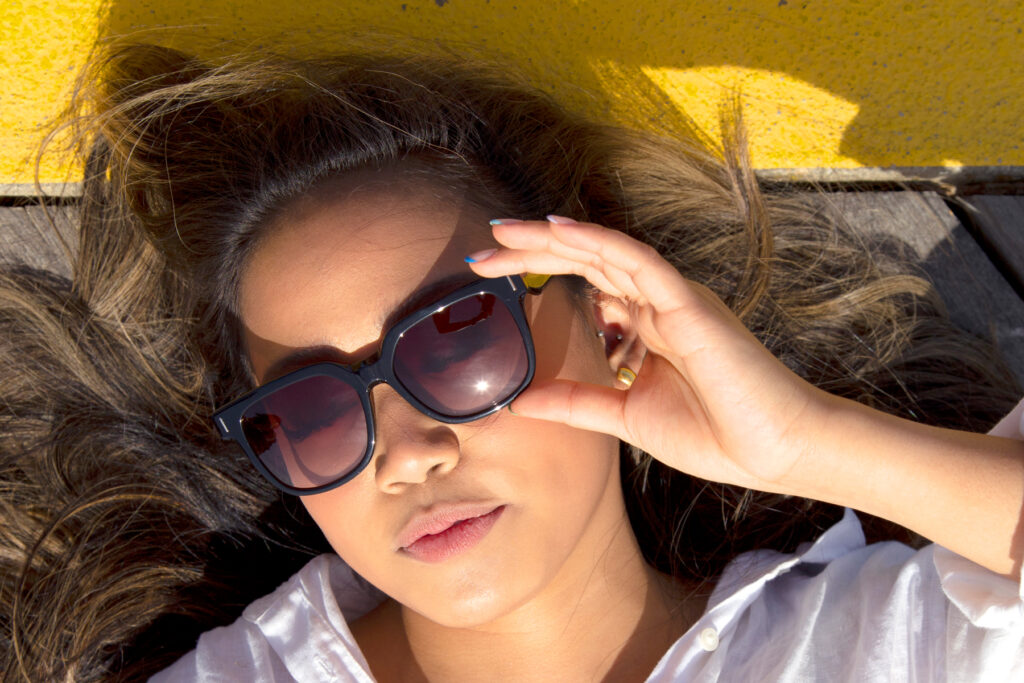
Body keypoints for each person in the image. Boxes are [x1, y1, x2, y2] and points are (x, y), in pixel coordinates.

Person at [0, 42, 1021, 681]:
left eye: (455, 337)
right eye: (310, 411)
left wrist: (809, 442)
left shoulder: (885, 645)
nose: (403, 452)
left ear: (616, 324)